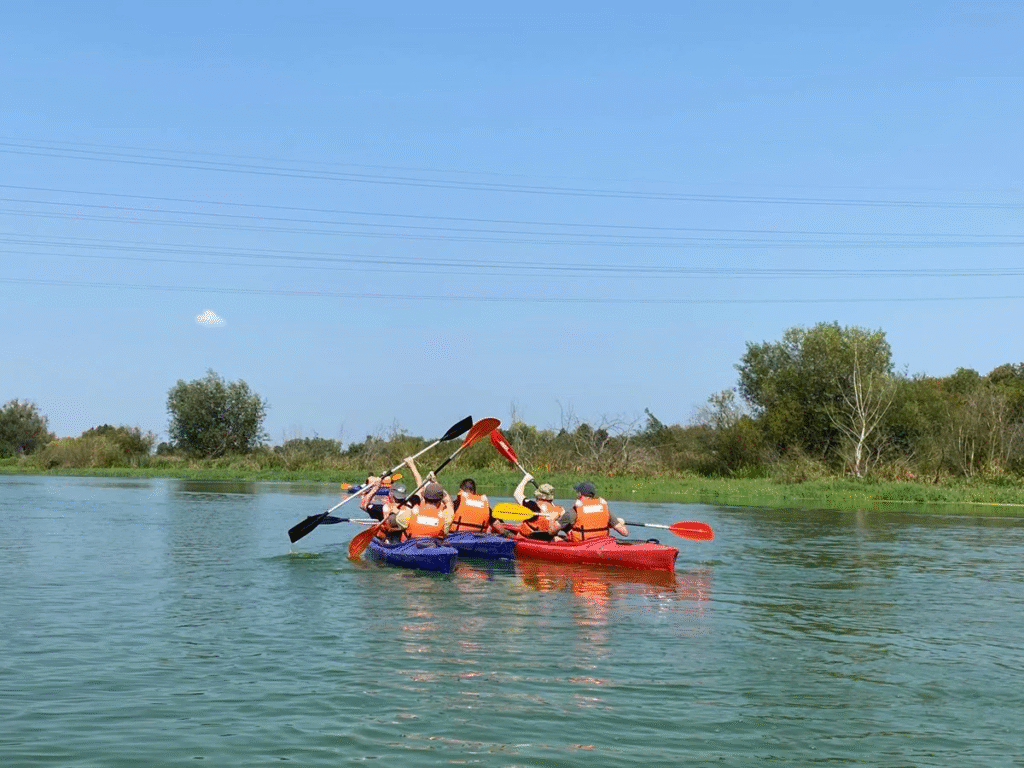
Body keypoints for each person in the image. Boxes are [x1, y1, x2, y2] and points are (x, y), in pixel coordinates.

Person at [379, 479, 454, 542]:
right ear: (440, 500)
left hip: (412, 548)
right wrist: (435, 482)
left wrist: (395, 512)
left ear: (424, 498)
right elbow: (448, 502)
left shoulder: (409, 513)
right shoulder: (447, 515)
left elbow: (394, 521)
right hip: (434, 548)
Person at [552, 481, 628, 541]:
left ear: (579, 494)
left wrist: (553, 522)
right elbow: (625, 533)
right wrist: (611, 524)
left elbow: (552, 531)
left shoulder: (574, 511)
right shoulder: (604, 508)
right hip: (602, 542)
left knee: (562, 528)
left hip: (582, 544)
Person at [511, 473, 564, 540]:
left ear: (538, 495)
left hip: (528, 539)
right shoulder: (560, 510)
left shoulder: (532, 505)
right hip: (547, 539)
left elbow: (517, 494)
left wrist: (525, 479)